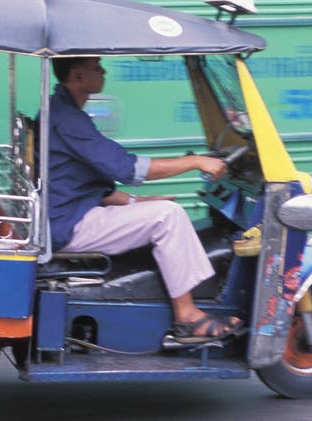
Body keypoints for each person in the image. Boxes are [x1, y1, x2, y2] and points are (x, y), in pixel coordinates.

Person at [47, 56, 241, 341]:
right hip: (69, 224)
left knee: (163, 208)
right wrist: (195, 162)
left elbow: (83, 183)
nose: (104, 70)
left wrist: (137, 202)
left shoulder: (63, 112)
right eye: (97, 67)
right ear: (77, 77)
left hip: (68, 215)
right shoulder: (68, 120)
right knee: (168, 215)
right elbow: (125, 168)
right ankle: (187, 316)